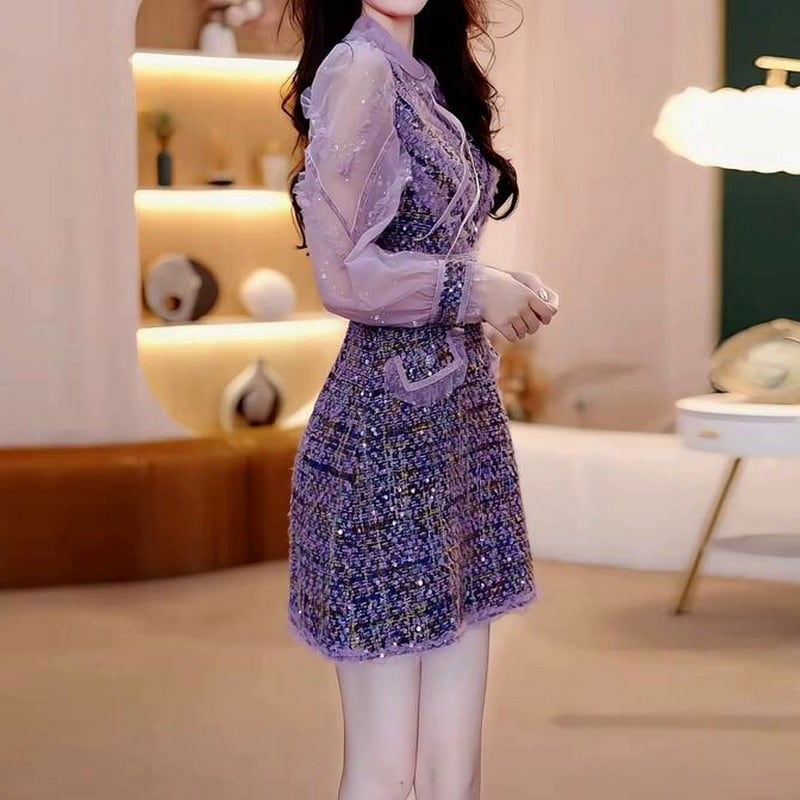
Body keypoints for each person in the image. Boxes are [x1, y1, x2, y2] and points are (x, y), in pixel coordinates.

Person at [282, 2, 559, 798]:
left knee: (452, 763)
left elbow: (429, 245)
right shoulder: (358, 69)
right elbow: (345, 276)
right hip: (384, 437)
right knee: (384, 766)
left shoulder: (424, 77)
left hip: (459, 423)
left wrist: (505, 285)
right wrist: (478, 288)